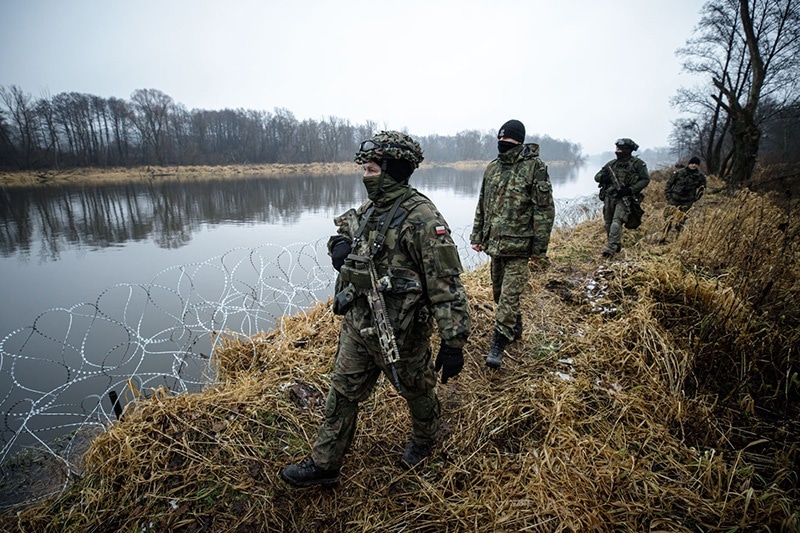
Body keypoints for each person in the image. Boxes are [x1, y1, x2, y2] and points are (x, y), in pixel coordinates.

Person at [280, 131, 472, 488]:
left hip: (402, 333)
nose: (365, 176)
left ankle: (425, 440)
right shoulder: (369, 212)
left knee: (417, 392)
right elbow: (356, 250)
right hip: (359, 324)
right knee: (342, 392)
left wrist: (454, 341)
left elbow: (446, 284)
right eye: (365, 169)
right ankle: (324, 465)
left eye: (370, 169)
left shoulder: (423, 219)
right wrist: (339, 247)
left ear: (390, 170)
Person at [470, 119, 555, 369]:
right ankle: (514, 325)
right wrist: (477, 235)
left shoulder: (534, 167)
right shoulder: (492, 168)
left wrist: (539, 249)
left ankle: (499, 342)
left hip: (520, 247)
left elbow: (544, 210)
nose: (502, 144)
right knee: (499, 294)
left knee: (508, 297)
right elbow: (482, 203)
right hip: (495, 245)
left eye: (508, 141)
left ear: (519, 141)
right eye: (500, 140)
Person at [594, 138, 650, 258]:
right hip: (610, 197)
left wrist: (630, 190)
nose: (617, 151)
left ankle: (611, 248)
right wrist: (604, 178)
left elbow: (645, 180)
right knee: (608, 223)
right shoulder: (611, 164)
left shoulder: (638, 164)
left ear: (627, 150)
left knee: (616, 222)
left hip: (625, 198)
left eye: (620, 149)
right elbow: (597, 176)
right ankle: (615, 243)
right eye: (616, 149)